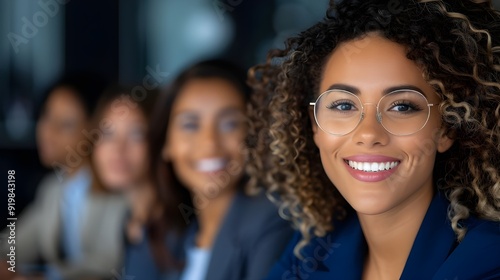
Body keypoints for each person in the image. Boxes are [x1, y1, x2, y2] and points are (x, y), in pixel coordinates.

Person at [247, 0, 500, 279]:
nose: (368, 134)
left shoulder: (488, 262)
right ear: (314, 125)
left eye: (401, 106)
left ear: (446, 129)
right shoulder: (312, 250)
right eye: (343, 105)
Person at [124, 59, 294, 280]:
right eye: (190, 125)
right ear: (166, 143)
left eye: (230, 124)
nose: (209, 143)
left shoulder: (272, 221)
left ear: (255, 137)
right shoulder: (175, 231)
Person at [0, 73, 128, 280]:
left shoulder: (117, 186)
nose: (47, 131)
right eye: (46, 116)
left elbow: (110, 263)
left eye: (65, 123)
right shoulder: (53, 188)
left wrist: (47, 276)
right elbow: (15, 244)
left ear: (94, 129)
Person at [90, 85, 160, 270]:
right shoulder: (127, 218)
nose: (118, 149)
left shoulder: (173, 227)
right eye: (108, 134)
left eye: (136, 134)